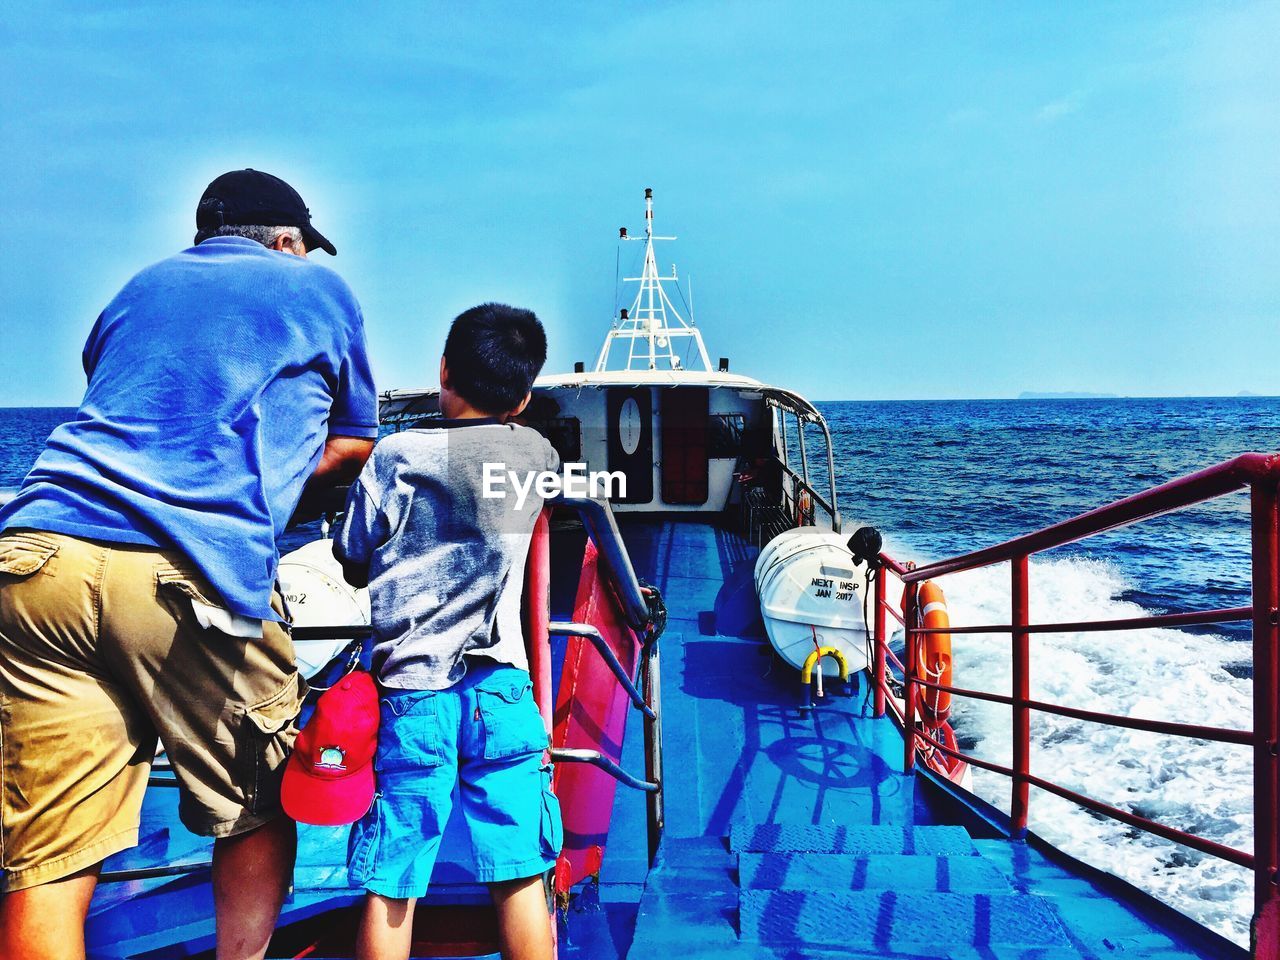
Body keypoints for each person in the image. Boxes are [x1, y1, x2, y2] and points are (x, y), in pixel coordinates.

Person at [0, 169, 378, 960]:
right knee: (258, 805)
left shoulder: (136, 290)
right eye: (303, 247)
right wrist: (278, 480)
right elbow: (353, 440)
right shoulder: (318, 291)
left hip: (34, 558)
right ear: (285, 241)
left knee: (49, 853)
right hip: (182, 569)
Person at [331, 303, 562, 960]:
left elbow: (354, 550)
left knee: (393, 880)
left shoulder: (396, 454)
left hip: (413, 693)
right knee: (519, 870)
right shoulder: (535, 453)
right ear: (522, 395)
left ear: (443, 371)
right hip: (502, 691)